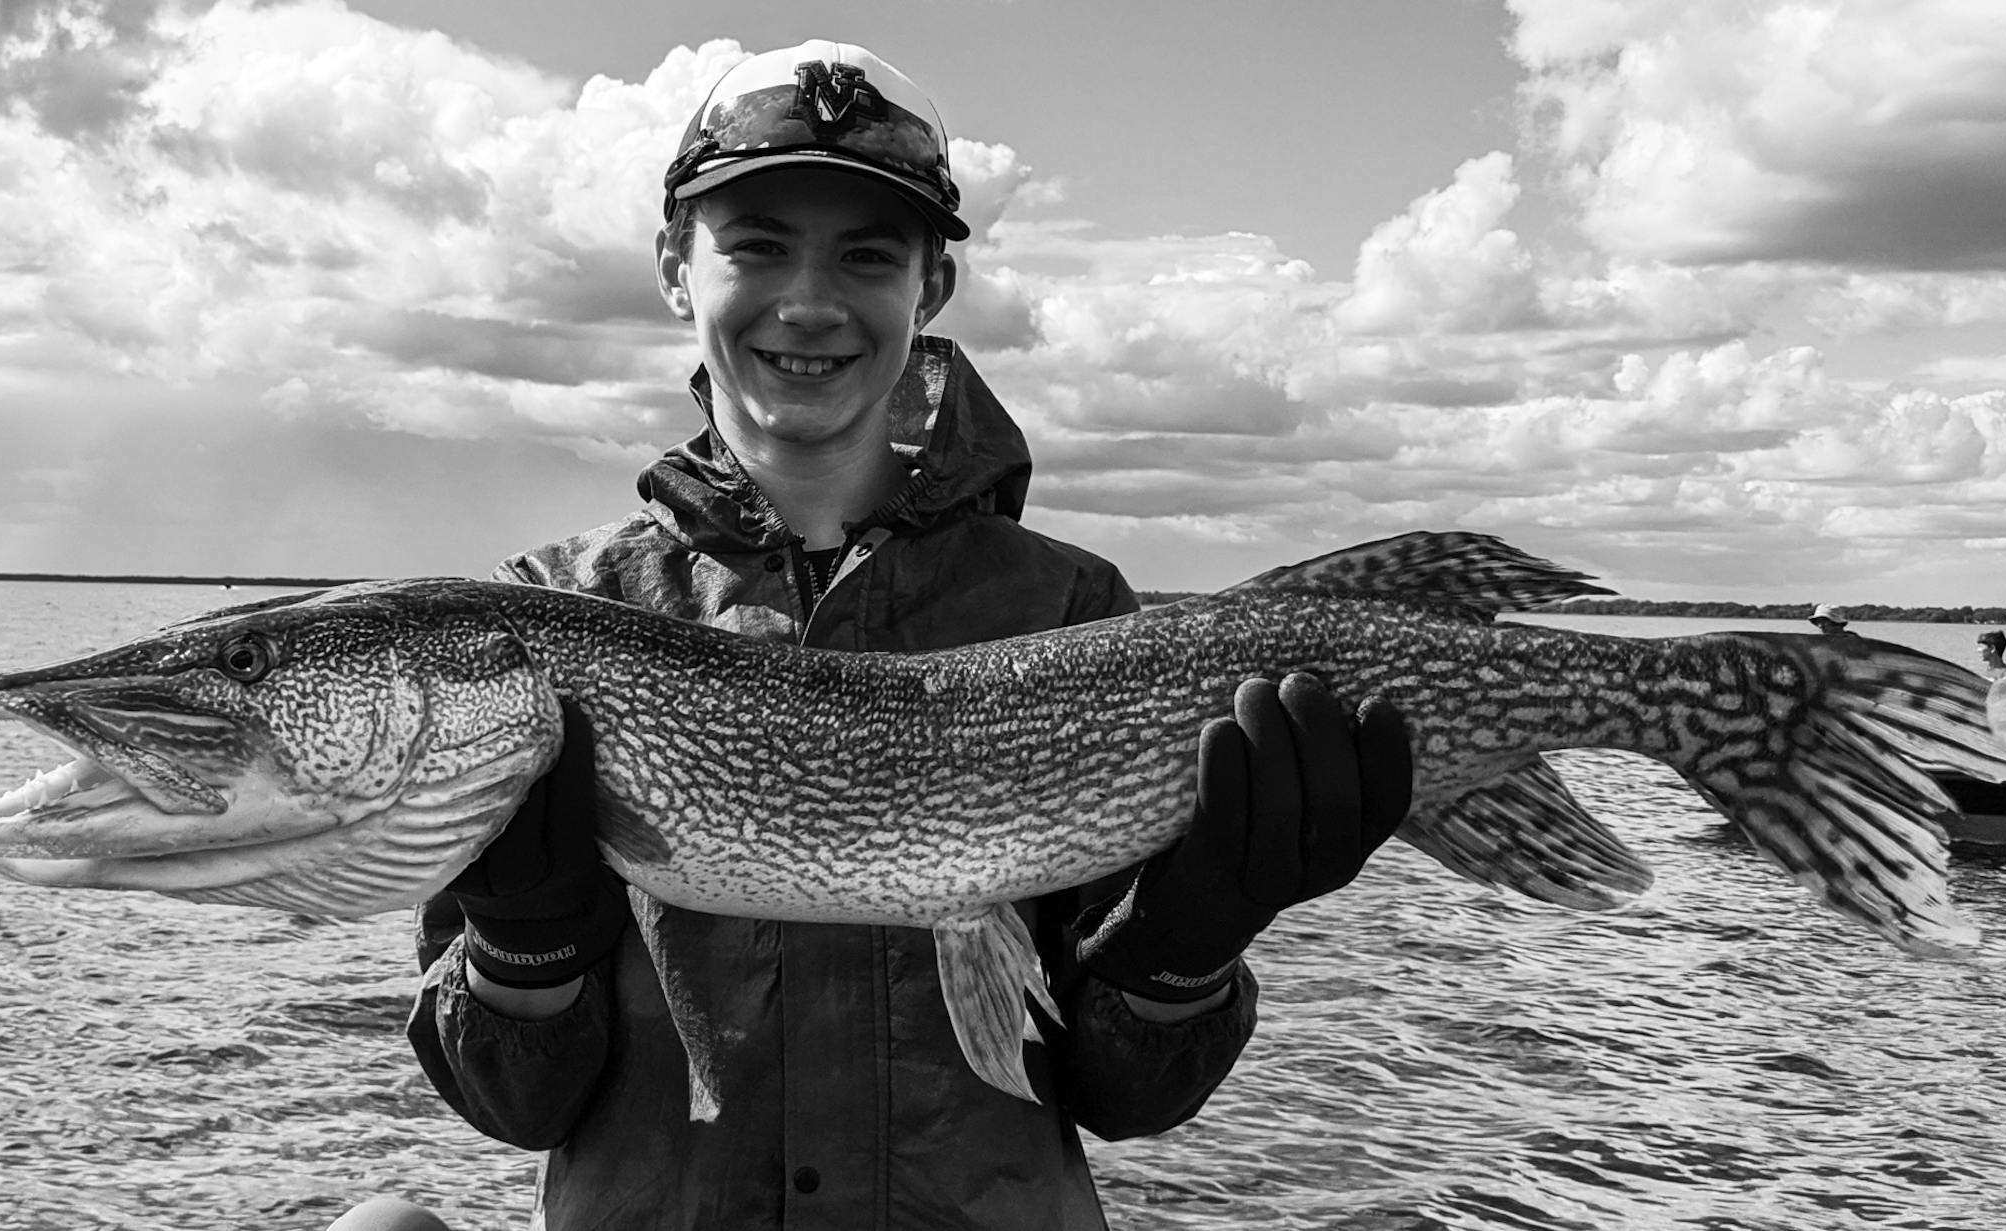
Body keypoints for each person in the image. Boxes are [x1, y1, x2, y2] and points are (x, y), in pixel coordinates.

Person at [330, 39, 1413, 1231]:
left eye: (866, 254)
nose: (809, 301)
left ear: (929, 288)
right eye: (756, 244)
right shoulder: (554, 607)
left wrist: (1186, 940)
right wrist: (522, 946)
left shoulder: (1067, 607)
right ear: (675, 269)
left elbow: (1124, 1094)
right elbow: (519, 1105)